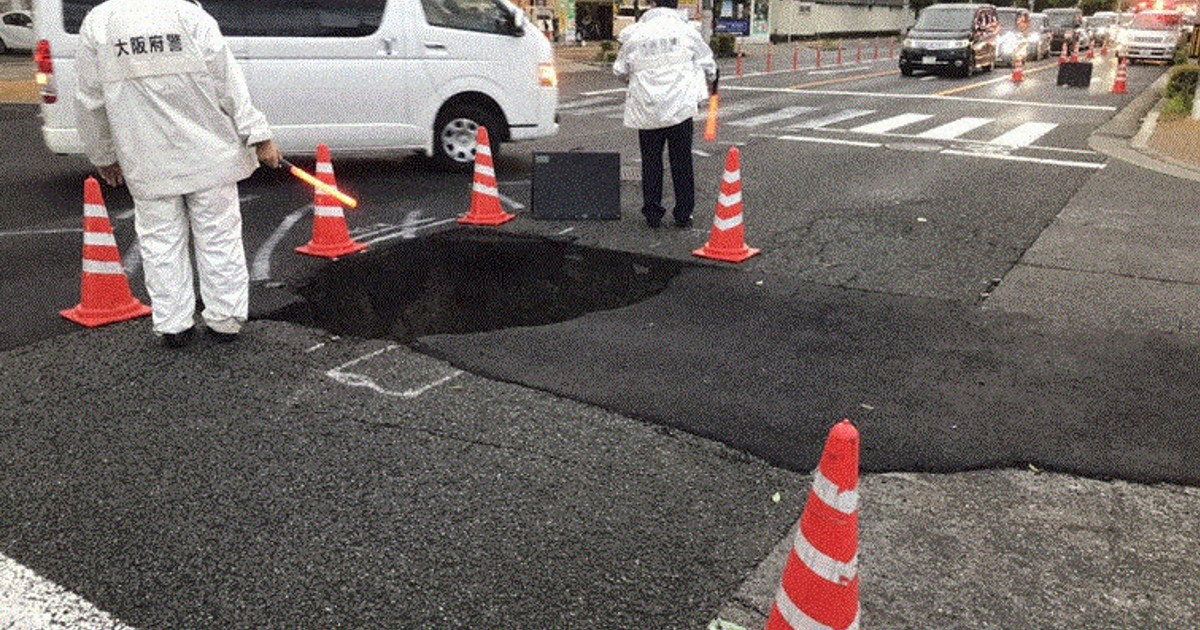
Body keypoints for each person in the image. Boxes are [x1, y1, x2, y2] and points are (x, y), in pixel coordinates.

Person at [75, 0, 282, 348]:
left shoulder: (100, 22)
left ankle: (174, 325)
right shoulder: (190, 16)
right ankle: (225, 320)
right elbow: (228, 81)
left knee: (160, 242)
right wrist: (258, 135)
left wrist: (103, 154)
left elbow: (90, 99)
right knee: (219, 237)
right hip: (209, 154)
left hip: (146, 157)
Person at [613, 0, 716, 229]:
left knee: (651, 161)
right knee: (682, 161)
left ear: (652, 4)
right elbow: (708, 64)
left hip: (648, 109)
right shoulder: (686, 31)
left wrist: (635, 80)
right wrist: (708, 81)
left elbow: (619, 70)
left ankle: (652, 214)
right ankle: (683, 213)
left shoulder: (636, 33)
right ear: (675, 5)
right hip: (680, 107)